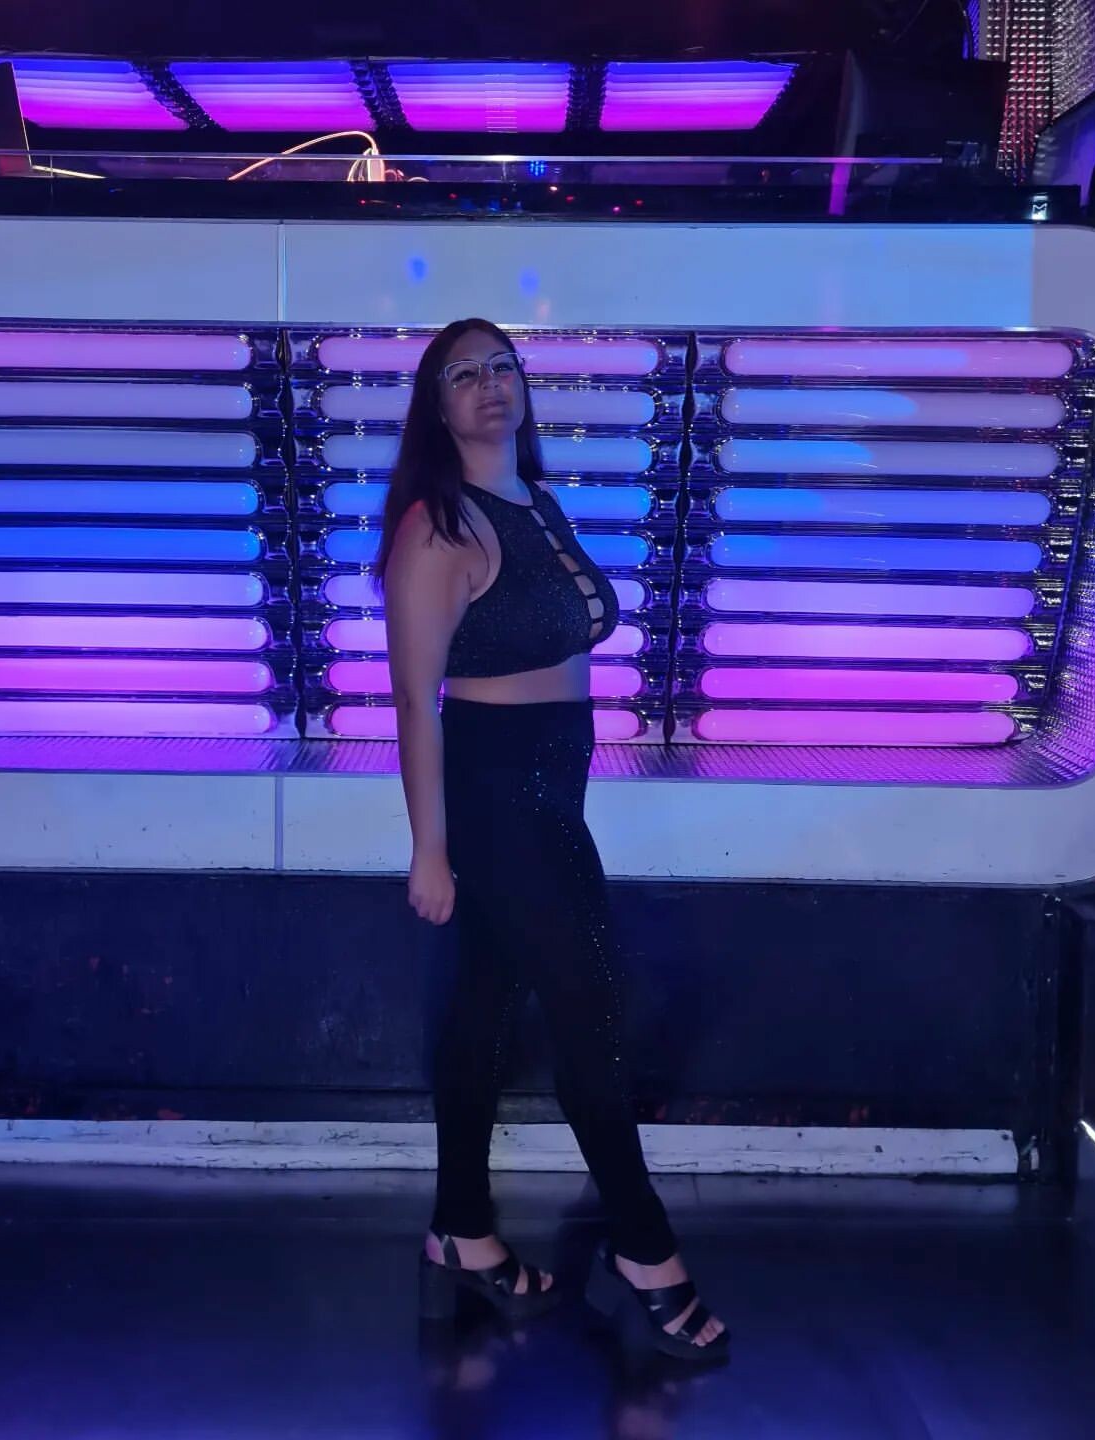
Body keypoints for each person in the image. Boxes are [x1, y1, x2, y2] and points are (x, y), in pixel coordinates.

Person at [372, 318, 728, 1361]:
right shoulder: (436, 528)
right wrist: (430, 849)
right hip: (496, 801)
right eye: (462, 375)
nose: (489, 385)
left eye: (501, 366)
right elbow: (414, 701)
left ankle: (460, 1230)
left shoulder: (535, 499)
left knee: (482, 1015)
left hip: (548, 795)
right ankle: (644, 1248)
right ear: (437, 408)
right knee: (592, 1017)